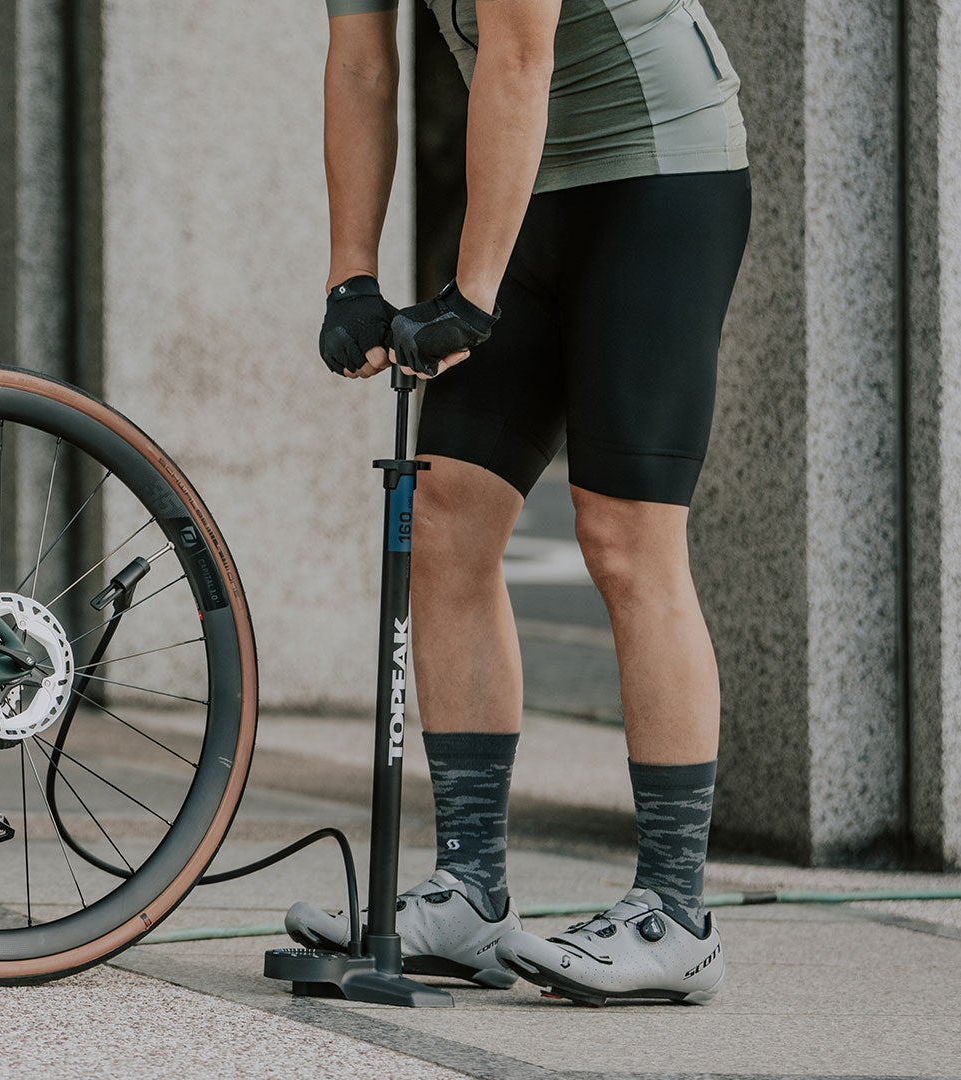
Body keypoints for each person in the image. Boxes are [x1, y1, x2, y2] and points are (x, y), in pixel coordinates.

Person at [287, 0, 751, 1006]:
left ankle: (676, 917)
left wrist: (471, 297)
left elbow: (519, 55)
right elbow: (361, 62)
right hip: (531, 179)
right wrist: (349, 275)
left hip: (659, 179)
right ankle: (469, 895)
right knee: (447, 512)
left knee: (625, 535)